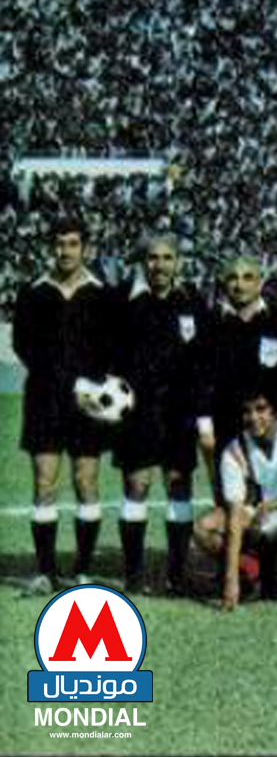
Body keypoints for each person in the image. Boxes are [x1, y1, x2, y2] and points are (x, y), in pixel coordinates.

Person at [14, 216, 114, 594]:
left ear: (85, 247)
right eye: (59, 244)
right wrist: (53, 377)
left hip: (87, 403)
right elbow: (23, 344)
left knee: (86, 481)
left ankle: (82, 571)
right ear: (51, 247)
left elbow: (110, 346)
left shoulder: (101, 293)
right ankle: (46, 572)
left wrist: (92, 382)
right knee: (44, 482)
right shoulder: (33, 292)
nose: (65, 251)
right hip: (44, 401)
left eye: (72, 244)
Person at [112, 233, 213, 595]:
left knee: (177, 485)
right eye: (153, 257)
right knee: (137, 485)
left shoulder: (192, 303)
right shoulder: (125, 301)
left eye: (167, 257)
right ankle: (133, 574)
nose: (160, 265)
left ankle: (176, 574)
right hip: (137, 411)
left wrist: (202, 414)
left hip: (179, 411)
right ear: (144, 262)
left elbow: (202, 362)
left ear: (178, 262)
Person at [194, 382, 277, 611]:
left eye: (261, 409)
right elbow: (235, 515)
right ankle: (248, 571)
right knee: (203, 528)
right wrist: (230, 580)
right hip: (254, 519)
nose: (254, 417)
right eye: (247, 411)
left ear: (276, 411)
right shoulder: (234, 450)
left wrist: (274, 505)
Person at [197, 254, 277, 489]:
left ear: (259, 281)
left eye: (247, 277)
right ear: (223, 282)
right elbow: (201, 378)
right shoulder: (210, 322)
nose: (240, 284)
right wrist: (205, 426)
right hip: (225, 424)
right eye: (232, 278)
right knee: (229, 496)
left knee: (272, 494)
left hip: (269, 424)